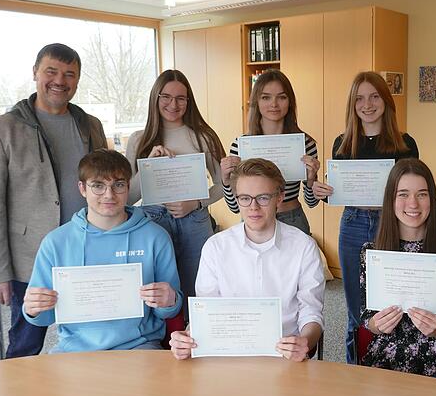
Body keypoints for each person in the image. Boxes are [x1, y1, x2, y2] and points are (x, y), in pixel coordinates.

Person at [0, 43, 107, 358]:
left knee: (92, 340)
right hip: (30, 262)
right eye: (51, 71)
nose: (60, 80)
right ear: (35, 73)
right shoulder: (1, 130)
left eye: (69, 74)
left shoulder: (91, 125)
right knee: (25, 345)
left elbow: (105, 184)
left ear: (77, 80)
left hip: (86, 254)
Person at [22, 149, 182, 353]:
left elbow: (170, 310)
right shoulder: (56, 242)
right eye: (98, 185)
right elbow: (43, 318)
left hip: (139, 347)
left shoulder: (155, 237)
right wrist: (33, 309)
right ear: (82, 188)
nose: (109, 194)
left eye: (118, 185)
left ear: (128, 187)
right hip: (73, 351)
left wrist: (169, 301)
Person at [169, 158, 325, 361]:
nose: (253, 207)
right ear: (237, 199)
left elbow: (311, 311)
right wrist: (188, 338)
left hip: (284, 355)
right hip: (227, 355)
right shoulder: (215, 247)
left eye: (263, 198)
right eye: (245, 198)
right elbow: (207, 311)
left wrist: (305, 340)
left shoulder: (304, 246)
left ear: (279, 198)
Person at [312, 71, 419, 363]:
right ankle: (354, 372)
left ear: (386, 101)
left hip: (392, 225)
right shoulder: (343, 143)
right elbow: (336, 190)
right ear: (352, 104)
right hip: (354, 224)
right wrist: (322, 189)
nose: (367, 104)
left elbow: (412, 189)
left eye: (374, 96)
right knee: (355, 308)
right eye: (359, 98)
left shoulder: (405, 144)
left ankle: (391, 366)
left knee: (392, 302)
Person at [359, 158, 436, 378]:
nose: (413, 204)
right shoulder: (372, 252)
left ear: (432, 199)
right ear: (390, 200)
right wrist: (378, 325)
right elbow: (366, 318)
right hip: (385, 358)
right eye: (403, 194)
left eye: (422, 194)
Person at [126, 69, 226, 305]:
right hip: (153, 221)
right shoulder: (138, 139)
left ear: (188, 101)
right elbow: (127, 198)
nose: (174, 104)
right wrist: (149, 166)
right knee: (158, 295)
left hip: (195, 221)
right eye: (166, 97)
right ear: (155, 98)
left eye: (181, 98)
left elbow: (224, 184)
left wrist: (197, 202)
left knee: (199, 292)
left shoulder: (204, 137)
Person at [219, 69, 320, 235]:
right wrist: (225, 179)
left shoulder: (304, 143)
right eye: (266, 97)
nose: (274, 104)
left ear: (290, 102)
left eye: (281, 97)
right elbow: (234, 207)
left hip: (292, 218)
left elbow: (311, 202)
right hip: (254, 219)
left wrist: (311, 179)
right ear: (256, 101)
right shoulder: (240, 146)